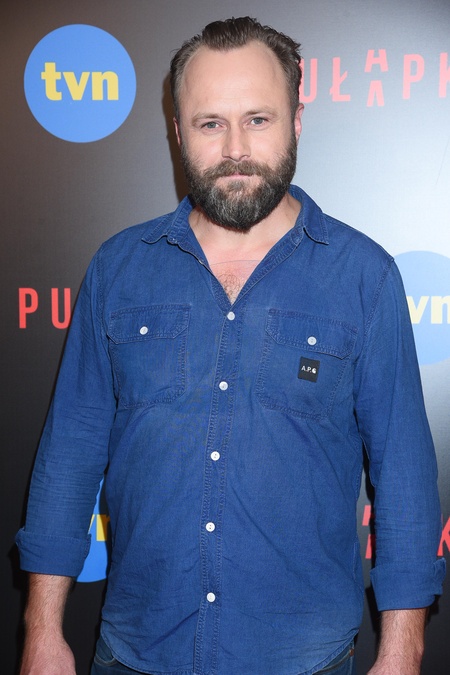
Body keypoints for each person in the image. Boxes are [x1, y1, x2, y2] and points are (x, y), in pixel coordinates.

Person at [16, 16, 445, 675]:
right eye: (210, 122)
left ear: (296, 121)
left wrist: (403, 650)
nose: (235, 148)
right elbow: (69, 455)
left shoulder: (365, 277)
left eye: (258, 120)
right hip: (134, 653)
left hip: (307, 659)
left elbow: (405, 476)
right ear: (177, 130)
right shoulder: (119, 269)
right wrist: (42, 628)